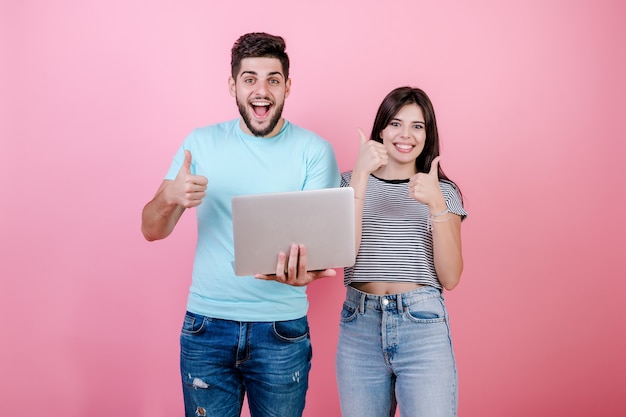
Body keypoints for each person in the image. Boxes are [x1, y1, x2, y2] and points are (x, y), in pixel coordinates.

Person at [141, 32, 340, 417]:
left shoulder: (314, 151)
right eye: (250, 78)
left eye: (273, 79)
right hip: (206, 328)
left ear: (287, 86)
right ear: (233, 85)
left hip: (281, 331)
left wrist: (307, 274)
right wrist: (170, 196)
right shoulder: (198, 144)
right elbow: (151, 229)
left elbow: (320, 248)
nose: (261, 90)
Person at [335, 86, 467, 417]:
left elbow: (450, 277)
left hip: (421, 325)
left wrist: (436, 204)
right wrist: (361, 177)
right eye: (395, 123)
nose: (405, 134)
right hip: (359, 326)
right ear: (381, 129)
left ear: (428, 135)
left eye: (417, 126)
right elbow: (343, 255)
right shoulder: (347, 182)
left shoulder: (444, 192)